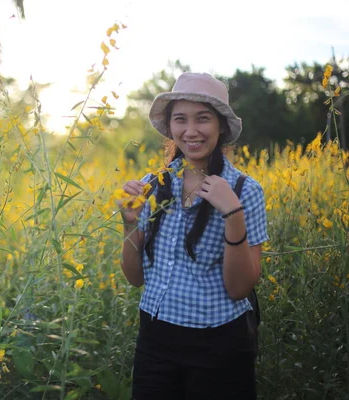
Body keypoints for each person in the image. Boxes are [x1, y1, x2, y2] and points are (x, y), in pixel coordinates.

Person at [117, 72, 269, 399]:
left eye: (203, 119)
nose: (191, 131)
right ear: (170, 127)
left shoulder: (246, 191)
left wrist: (232, 214)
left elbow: (240, 287)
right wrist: (130, 224)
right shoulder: (152, 184)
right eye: (180, 120)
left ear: (221, 127)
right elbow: (134, 278)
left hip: (221, 347)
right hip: (155, 342)